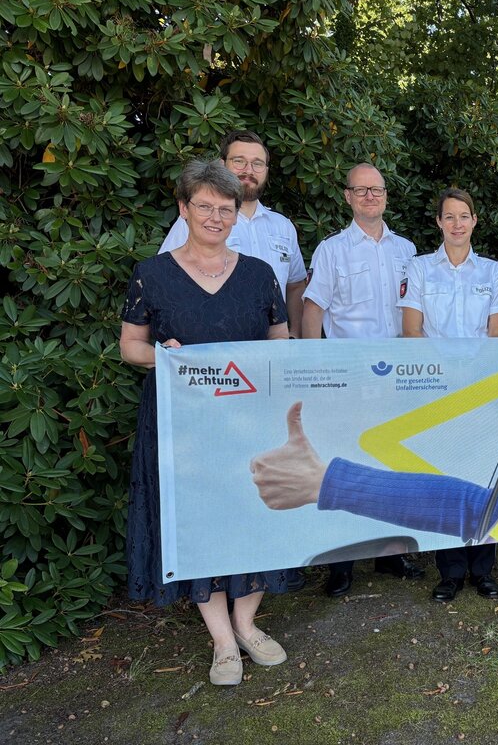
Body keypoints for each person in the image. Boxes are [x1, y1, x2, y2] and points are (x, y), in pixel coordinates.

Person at [119, 160, 289, 687]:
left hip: (249, 421)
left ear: (237, 215)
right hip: (183, 428)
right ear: (184, 209)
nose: (215, 216)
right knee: (198, 523)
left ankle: (247, 623)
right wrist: (162, 357)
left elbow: (280, 344)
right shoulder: (153, 273)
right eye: (205, 206)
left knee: (255, 515)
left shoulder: (260, 274)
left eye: (225, 208)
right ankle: (221, 639)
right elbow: (129, 346)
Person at [301, 162, 424, 597]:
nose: (371, 197)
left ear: (386, 196)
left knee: (390, 463)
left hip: (398, 376)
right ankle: (341, 562)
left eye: (377, 190)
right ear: (348, 197)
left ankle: (391, 553)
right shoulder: (331, 251)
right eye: (362, 190)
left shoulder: (408, 251)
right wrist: (313, 368)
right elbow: (313, 310)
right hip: (347, 376)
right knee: (345, 466)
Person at [398, 188, 498, 602]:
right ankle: (450, 570)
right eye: (449, 217)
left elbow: (497, 334)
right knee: (443, 478)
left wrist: (476, 376)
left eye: (464, 216)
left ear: (474, 221)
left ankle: (483, 568)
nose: (457, 224)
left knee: (484, 476)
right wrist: (446, 374)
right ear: (439, 223)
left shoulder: (492, 272)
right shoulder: (420, 267)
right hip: (437, 387)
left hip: (481, 387)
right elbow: (412, 331)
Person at [159, 130, 306, 340]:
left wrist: (294, 334)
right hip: (212, 354)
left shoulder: (283, 227)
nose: (248, 170)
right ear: (221, 164)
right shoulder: (199, 221)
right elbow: (166, 278)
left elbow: (295, 285)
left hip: (270, 354)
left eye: (257, 163)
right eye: (239, 161)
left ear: (266, 170)